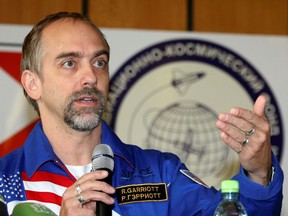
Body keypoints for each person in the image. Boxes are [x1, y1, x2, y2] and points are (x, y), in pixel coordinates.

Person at [0, 11, 283, 216]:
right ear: (32, 83)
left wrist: (258, 173)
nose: (90, 76)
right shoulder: (3, 182)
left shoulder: (162, 174)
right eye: (70, 63)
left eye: (99, 62)